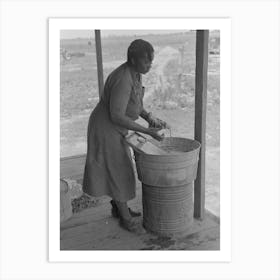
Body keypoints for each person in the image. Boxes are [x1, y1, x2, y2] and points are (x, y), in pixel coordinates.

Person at [82, 39, 169, 234]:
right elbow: (117, 115)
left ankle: (118, 208)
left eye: (151, 61)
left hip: (114, 127)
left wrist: (149, 117)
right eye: (146, 62)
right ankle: (125, 218)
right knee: (119, 171)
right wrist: (148, 132)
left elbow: (135, 104)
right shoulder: (123, 78)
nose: (150, 65)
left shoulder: (135, 74)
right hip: (105, 128)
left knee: (117, 169)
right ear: (132, 59)